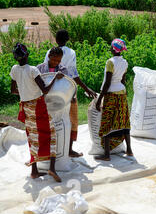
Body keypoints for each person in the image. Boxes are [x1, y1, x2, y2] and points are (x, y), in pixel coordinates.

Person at [10, 43, 63, 182]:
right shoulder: (33, 70)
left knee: (32, 136)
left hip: (26, 106)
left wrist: (24, 92)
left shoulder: (14, 69)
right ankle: (52, 168)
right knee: (51, 134)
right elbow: (45, 90)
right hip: (38, 105)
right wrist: (55, 77)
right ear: (27, 55)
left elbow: (13, 90)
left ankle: (34, 171)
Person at [44, 29, 96, 157]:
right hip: (68, 90)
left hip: (51, 89)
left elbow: (46, 70)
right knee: (71, 119)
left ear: (56, 39)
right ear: (67, 40)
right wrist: (86, 88)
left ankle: (52, 149)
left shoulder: (49, 52)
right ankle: (69, 150)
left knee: (53, 118)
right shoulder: (71, 52)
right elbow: (74, 74)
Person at [94, 38, 133, 161]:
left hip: (111, 95)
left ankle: (106, 154)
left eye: (111, 47)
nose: (110, 48)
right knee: (124, 120)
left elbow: (107, 82)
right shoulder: (125, 62)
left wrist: (100, 98)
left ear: (113, 49)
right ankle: (129, 149)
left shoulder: (110, 62)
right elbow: (123, 80)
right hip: (122, 93)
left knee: (107, 121)